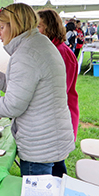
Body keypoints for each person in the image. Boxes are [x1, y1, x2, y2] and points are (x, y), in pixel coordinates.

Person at [0, 3, 75, 177]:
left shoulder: (26, 54)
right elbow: (23, 88)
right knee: (55, 195)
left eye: (1, 27)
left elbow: (12, 106)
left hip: (39, 146)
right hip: (52, 139)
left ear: (14, 26)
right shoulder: (40, 43)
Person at [37, 9, 79, 143]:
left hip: (59, 122)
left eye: (38, 27)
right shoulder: (48, 48)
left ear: (50, 28)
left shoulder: (62, 53)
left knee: (55, 163)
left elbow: (59, 91)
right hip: (49, 120)